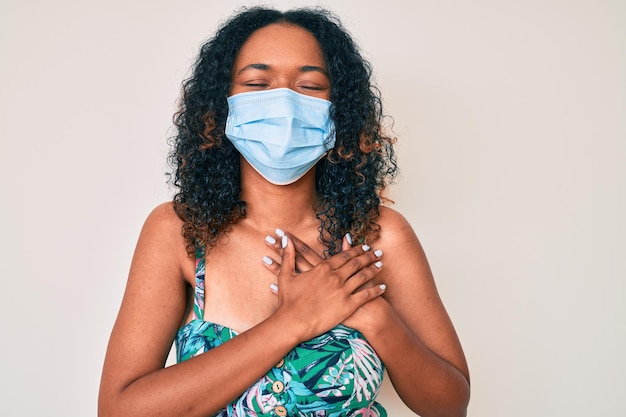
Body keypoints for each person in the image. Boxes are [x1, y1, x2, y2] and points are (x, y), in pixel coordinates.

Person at [98, 6, 470, 417]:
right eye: (258, 82)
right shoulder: (180, 231)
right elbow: (119, 410)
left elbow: (450, 405)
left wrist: (374, 317)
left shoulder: (381, 235)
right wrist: (294, 320)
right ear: (221, 105)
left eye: (310, 86)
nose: (285, 104)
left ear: (339, 109)